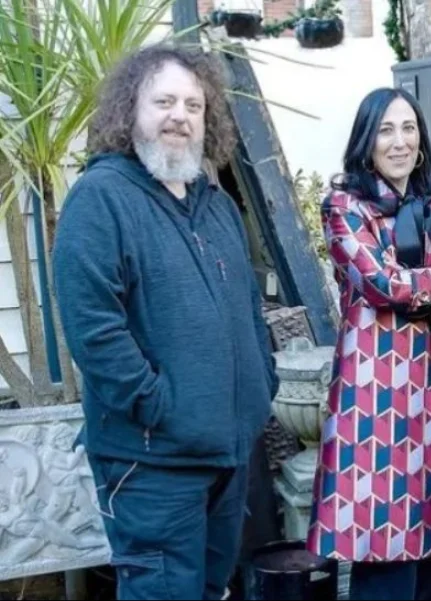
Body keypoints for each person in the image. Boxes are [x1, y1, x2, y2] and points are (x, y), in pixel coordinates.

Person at [52, 43, 279, 600]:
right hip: (152, 464)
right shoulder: (100, 199)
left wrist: (262, 382)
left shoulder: (218, 206)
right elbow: (94, 329)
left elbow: (250, 308)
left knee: (212, 589)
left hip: (228, 456)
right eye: (164, 102)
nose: (180, 116)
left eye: (193, 105)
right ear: (130, 109)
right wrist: (159, 405)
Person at [305, 87, 431, 600]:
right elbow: (382, 284)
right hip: (379, 400)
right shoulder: (345, 206)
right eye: (386, 130)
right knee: (386, 547)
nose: (399, 141)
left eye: (409, 128)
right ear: (367, 141)